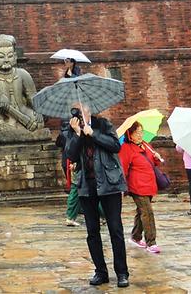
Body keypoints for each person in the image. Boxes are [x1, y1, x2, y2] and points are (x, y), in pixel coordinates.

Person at [65, 105, 129, 288]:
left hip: (109, 184)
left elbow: (115, 146)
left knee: (115, 229)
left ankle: (122, 272)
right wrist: (77, 134)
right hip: (87, 185)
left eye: (80, 109)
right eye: (74, 110)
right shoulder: (72, 129)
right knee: (92, 232)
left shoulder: (103, 124)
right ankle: (100, 271)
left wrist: (92, 133)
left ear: (88, 109)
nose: (77, 113)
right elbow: (71, 155)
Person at [119, 120, 163, 253]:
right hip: (137, 186)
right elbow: (123, 168)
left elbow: (153, 163)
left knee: (141, 211)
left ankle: (135, 237)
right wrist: (122, 187)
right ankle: (151, 242)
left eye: (141, 132)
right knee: (148, 212)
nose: (140, 135)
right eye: (136, 132)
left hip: (149, 184)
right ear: (130, 134)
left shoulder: (146, 145)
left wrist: (156, 157)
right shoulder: (126, 148)